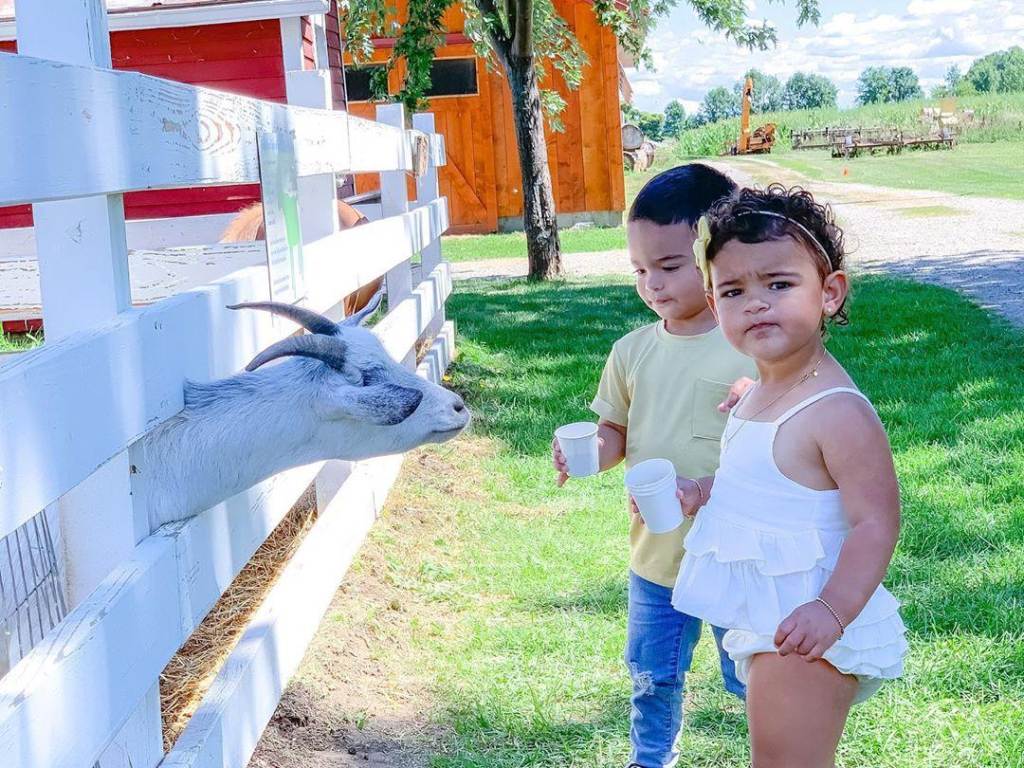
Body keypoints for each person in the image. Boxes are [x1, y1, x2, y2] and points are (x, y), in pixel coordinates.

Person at [673, 184, 908, 767]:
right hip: (770, 615)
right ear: (712, 301)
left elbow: (876, 521)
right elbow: (763, 482)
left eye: (779, 284)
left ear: (828, 293)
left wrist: (831, 611)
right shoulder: (759, 393)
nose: (755, 302)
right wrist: (703, 493)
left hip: (809, 621)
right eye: (733, 290)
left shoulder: (837, 412)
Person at [552, 164, 757, 768]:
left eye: (670, 267)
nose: (653, 284)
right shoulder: (632, 351)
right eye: (640, 270)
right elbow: (616, 431)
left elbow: (791, 436)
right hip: (656, 559)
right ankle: (651, 759)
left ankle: (774, 752)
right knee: (651, 675)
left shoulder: (750, 342)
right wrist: (590, 447)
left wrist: (760, 393)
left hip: (735, 555)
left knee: (751, 676)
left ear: (718, 253)